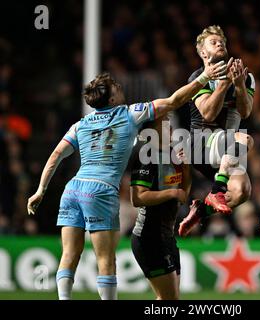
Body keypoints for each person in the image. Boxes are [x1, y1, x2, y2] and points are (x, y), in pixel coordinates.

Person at [26, 60, 228, 300]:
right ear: (111, 100)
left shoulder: (80, 124)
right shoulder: (130, 113)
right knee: (106, 260)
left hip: (73, 189)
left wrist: (40, 189)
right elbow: (174, 101)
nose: (120, 88)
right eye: (116, 88)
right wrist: (204, 77)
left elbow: (57, 154)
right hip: (100, 190)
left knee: (69, 254)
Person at [178, 25, 255, 237]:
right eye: (213, 42)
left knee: (242, 192)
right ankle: (216, 190)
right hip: (200, 144)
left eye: (222, 41)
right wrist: (223, 85)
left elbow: (245, 111)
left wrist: (238, 85)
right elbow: (208, 115)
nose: (220, 43)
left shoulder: (245, 76)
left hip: (225, 151)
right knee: (244, 138)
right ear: (203, 52)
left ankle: (201, 211)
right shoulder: (198, 78)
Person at [130, 115, 190, 300]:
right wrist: (170, 193)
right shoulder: (146, 156)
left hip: (166, 236)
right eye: (164, 124)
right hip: (149, 237)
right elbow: (137, 197)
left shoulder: (172, 155)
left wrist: (186, 167)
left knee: (169, 299)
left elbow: (183, 194)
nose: (170, 126)